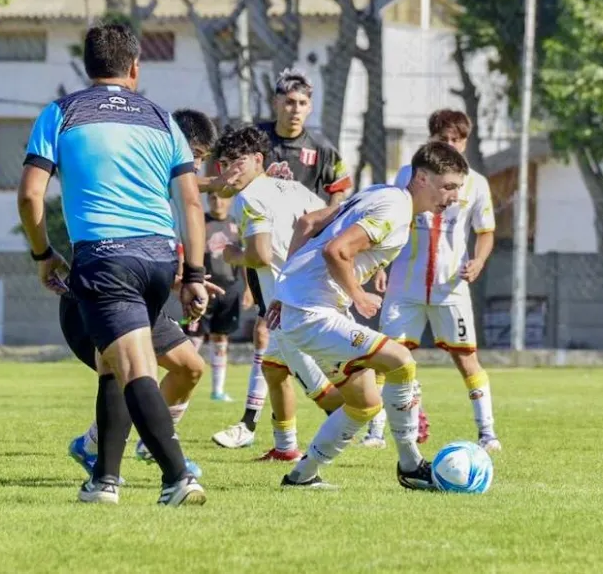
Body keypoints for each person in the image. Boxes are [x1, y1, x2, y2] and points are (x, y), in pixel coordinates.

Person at [17, 23, 209, 506]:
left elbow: (29, 194)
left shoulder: (61, 113)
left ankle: (177, 477)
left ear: (88, 67)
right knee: (111, 363)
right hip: (160, 259)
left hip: (105, 257)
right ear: (135, 68)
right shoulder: (162, 119)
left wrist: (44, 254)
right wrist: (195, 275)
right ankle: (104, 478)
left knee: (132, 366)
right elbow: (189, 203)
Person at [268, 141, 468, 490]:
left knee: (364, 404)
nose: (452, 197)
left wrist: (285, 287)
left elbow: (307, 223)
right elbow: (337, 250)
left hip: (307, 307)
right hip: (314, 313)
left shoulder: (380, 193)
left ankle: (302, 476)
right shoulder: (395, 210)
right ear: (422, 178)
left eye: (457, 189)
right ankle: (410, 464)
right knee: (401, 361)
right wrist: (359, 295)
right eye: (448, 186)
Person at [64, 109, 220, 477]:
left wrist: (183, 282)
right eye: (194, 157)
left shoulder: (164, 192)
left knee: (191, 369)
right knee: (131, 376)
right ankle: (123, 464)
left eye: (200, 161)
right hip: (98, 294)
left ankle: (122, 446)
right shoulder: (142, 183)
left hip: (136, 298)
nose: (194, 168)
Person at [212, 69, 352, 450]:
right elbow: (325, 216)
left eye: (235, 162)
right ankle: (285, 446)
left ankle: (351, 426)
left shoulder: (252, 196)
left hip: (290, 298)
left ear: (257, 160)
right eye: (288, 101)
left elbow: (257, 253)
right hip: (311, 282)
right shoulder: (290, 187)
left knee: (318, 377)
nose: (228, 170)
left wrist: (231, 253)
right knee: (274, 367)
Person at [365, 110, 500, 452]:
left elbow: (486, 231)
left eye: (457, 140)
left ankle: (487, 433)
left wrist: (479, 261)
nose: (451, 145)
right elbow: (388, 221)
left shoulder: (477, 184)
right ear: (432, 140)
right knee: (386, 356)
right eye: (444, 139)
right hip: (405, 285)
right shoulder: (409, 176)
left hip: (450, 286)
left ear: (466, 142)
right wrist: (379, 265)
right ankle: (375, 432)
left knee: (466, 357)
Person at [183, 190, 247, 402]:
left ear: (229, 200)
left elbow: (247, 259)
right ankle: (181, 386)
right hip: (204, 287)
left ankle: (218, 390)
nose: (217, 201)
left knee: (221, 337)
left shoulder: (239, 225)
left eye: (221, 197)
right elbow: (185, 252)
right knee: (193, 337)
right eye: (212, 197)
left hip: (230, 290)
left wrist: (248, 289)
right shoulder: (200, 222)